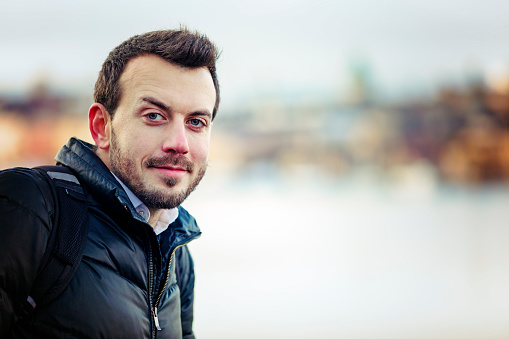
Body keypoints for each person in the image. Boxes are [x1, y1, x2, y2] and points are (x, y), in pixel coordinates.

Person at [0, 27, 220, 338]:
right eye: (155, 115)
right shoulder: (29, 207)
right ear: (101, 126)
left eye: (196, 122)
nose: (179, 143)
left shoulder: (176, 253)